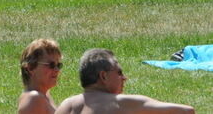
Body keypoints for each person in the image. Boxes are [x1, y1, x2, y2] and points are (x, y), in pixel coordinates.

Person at [55, 49, 194, 114]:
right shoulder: (120, 103)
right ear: (103, 76)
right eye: (119, 73)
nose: (124, 78)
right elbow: (186, 111)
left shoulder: (67, 105)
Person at [18, 39, 62, 114]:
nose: (57, 70)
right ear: (31, 68)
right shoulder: (34, 99)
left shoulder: (45, 95)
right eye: (51, 65)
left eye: (58, 65)